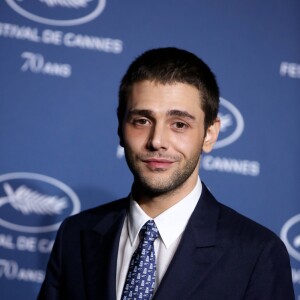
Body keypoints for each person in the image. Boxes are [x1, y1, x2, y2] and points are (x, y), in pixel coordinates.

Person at [38, 47, 294, 300]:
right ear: (120, 126)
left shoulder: (257, 254)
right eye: (142, 121)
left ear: (210, 134)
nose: (157, 141)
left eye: (179, 124)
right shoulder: (75, 234)